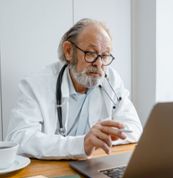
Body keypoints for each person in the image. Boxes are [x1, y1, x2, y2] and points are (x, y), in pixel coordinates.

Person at [6, 18, 142, 160]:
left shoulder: (111, 80)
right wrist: (81, 144)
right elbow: (19, 138)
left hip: (94, 164)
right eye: (91, 53)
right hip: (49, 172)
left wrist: (101, 139)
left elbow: (134, 128)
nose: (99, 63)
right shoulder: (36, 85)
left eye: (105, 55)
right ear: (69, 51)